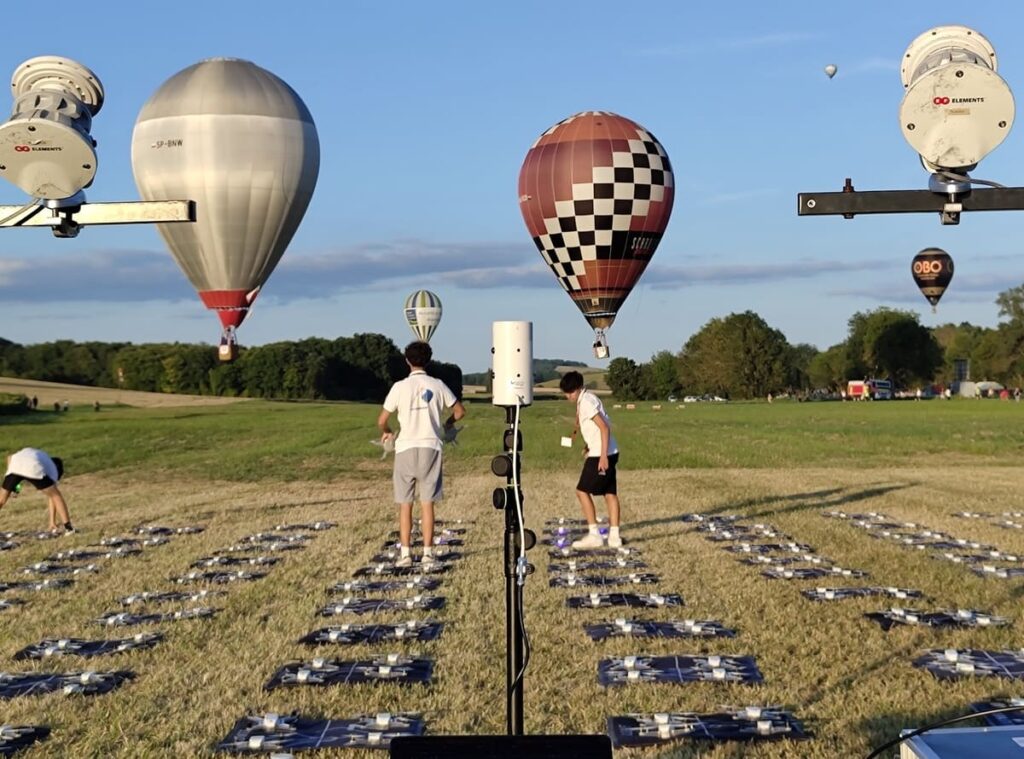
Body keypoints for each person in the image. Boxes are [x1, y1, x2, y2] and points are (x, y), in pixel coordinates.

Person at [378, 342, 465, 568]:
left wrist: (387, 433)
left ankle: (405, 554)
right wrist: (447, 424)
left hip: (405, 447)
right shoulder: (437, 385)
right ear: (428, 360)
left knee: (405, 505)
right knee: (428, 504)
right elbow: (459, 411)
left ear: (407, 361)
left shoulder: (399, 386)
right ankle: (427, 553)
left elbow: (382, 420)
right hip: (431, 447)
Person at [559, 371, 622, 549]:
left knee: (581, 491)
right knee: (610, 493)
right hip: (610, 450)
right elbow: (597, 428)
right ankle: (614, 537)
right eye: (566, 392)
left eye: (570, 392)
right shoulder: (588, 398)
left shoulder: (586, 402)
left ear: (578, 389)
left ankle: (594, 534)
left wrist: (602, 456)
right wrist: (589, 445)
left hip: (601, 454)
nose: (568, 396)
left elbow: (604, 428)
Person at [0, 448, 74, 534]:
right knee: (56, 495)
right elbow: (53, 498)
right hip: (33, 466)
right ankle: (69, 528)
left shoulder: (42, 457)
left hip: (15, 464)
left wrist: (16, 486)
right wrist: (52, 521)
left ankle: (59, 526)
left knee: (1, 500)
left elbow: (10, 458)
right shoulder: (53, 470)